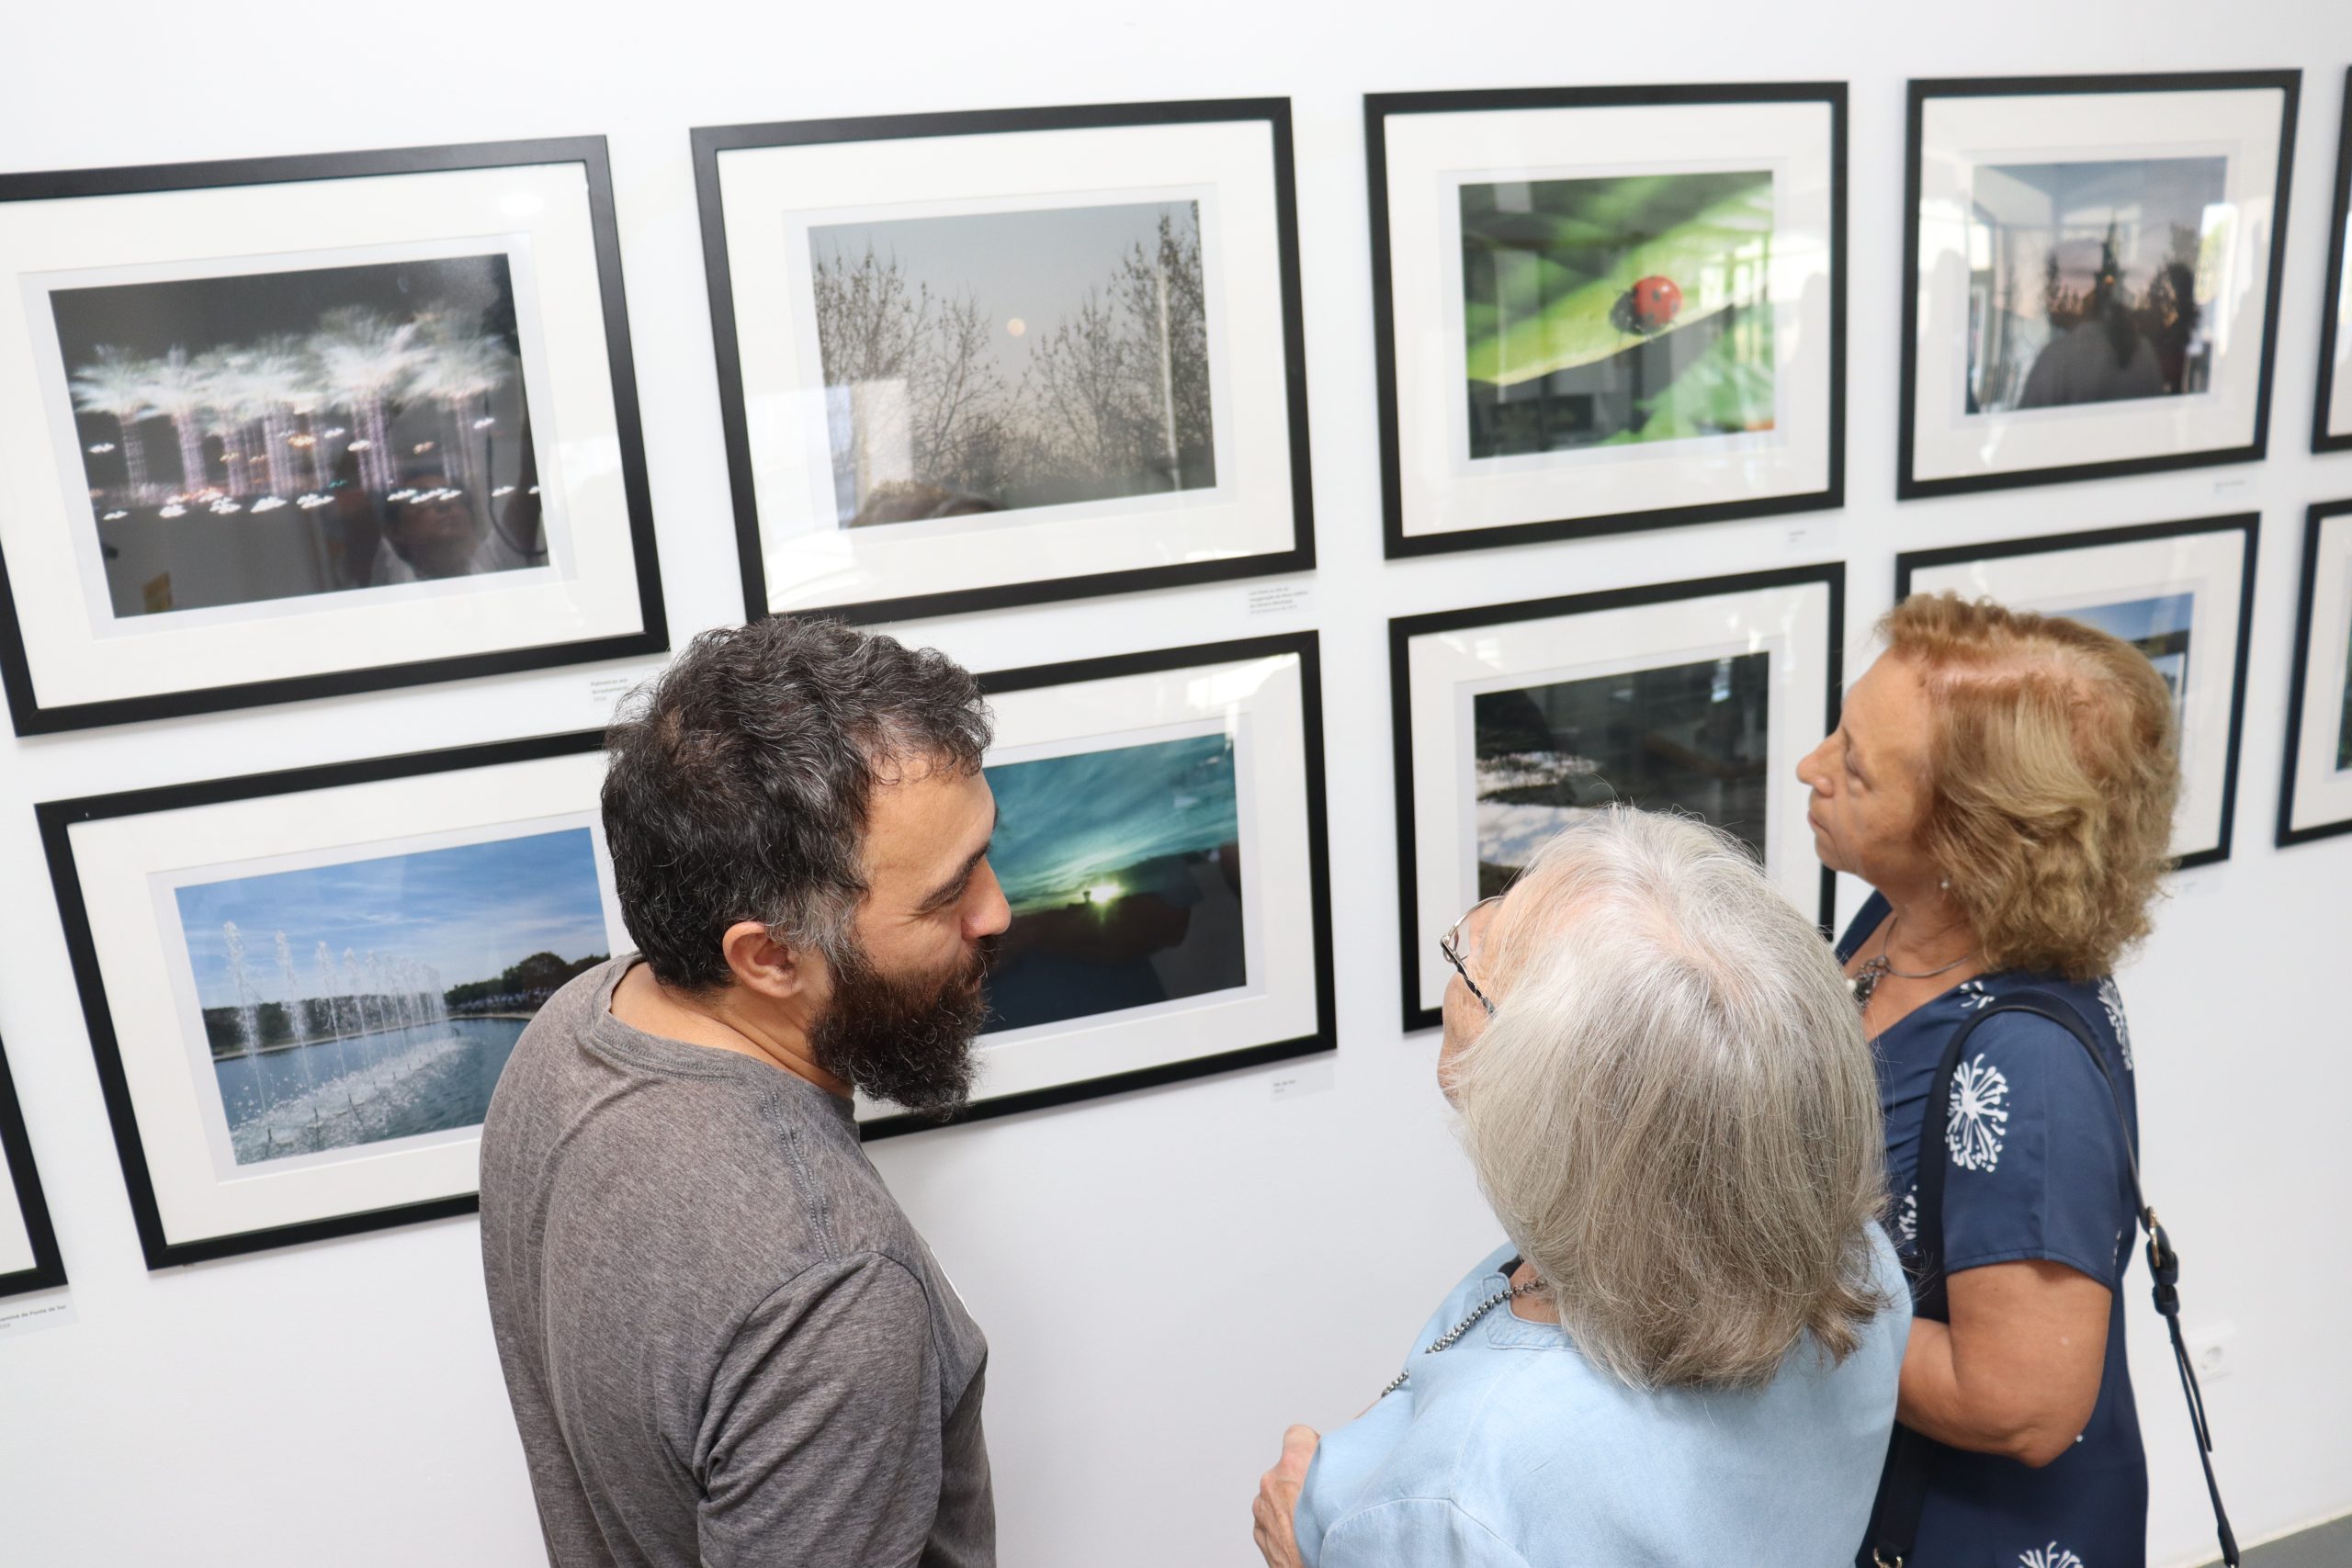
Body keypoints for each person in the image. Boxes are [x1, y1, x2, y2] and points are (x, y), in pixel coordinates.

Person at [478, 617, 1009, 1568]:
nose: (996, 910)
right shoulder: (833, 1293)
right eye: (945, 894)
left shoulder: (575, 1024)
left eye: (983, 854)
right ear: (766, 957)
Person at [1252, 808, 1909, 1568]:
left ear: (1564, 1113)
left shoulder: (1478, 1486)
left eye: (1475, 969)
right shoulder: (1861, 1261)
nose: (1458, 970)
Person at [1796, 592, 2178, 1567]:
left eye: (1853, 766)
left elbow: (2022, 1410)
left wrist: (1760, 1301)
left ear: (1969, 839)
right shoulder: (1901, 923)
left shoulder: (2028, 1069)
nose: (1810, 770)